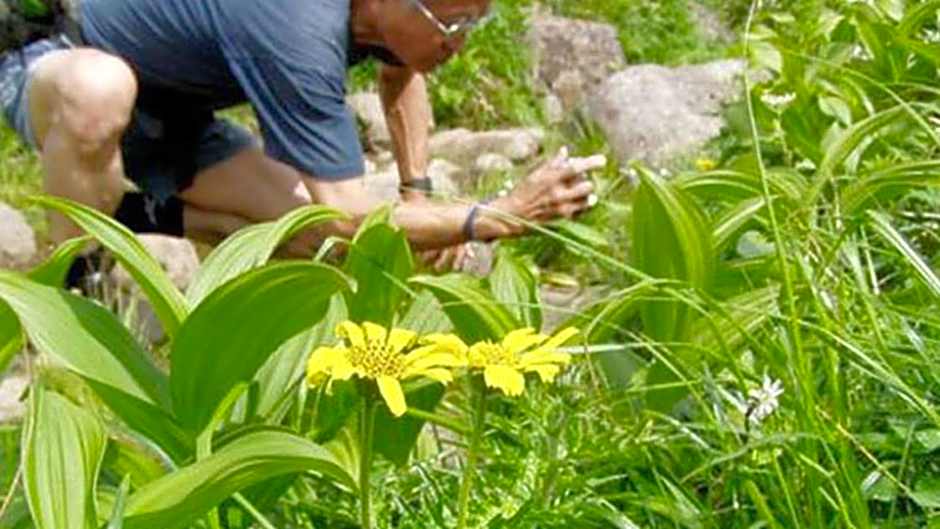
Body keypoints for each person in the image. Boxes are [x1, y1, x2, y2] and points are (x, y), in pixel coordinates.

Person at [0, 0, 604, 271]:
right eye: (454, 23)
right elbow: (343, 209)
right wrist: (491, 215)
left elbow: (403, 73)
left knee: (310, 240)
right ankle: (70, 284)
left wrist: (420, 196)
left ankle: (141, 215)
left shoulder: (378, 18)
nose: (460, 42)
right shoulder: (299, 28)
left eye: (477, 21)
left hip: (172, 117)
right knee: (100, 86)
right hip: (56, 63)